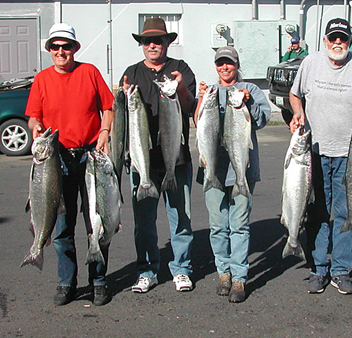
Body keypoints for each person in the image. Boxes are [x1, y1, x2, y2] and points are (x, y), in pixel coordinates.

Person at [25, 23, 114, 306]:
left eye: (66, 46)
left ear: (75, 48)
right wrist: (36, 127)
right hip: (56, 159)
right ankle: (67, 282)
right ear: (49, 50)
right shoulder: (41, 79)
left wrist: (104, 133)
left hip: (90, 157)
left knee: (96, 222)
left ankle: (98, 280)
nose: (60, 51)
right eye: (55, 46)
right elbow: (33, 117)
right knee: (61, 224)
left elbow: (108, 108)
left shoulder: (89, 72)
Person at [289, 18, 352, 295]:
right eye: (333, 38)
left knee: (345, 212)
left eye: (344, 39)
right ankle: (318, 269)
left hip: (350, 154)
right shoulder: (310, 62)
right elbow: (294, 95)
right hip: (313, 152)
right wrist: (297, 112)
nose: (338, 43)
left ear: (350, 42)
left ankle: (341, 270)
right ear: (325, 41)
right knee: (316, 212)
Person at [120, 18, 196, 293]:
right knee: (144, 222)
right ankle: (147, 270)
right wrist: (123, 96)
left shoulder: (180, 69)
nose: (152, 45)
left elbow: (189, 106)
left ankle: (182, 269)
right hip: (143, 162)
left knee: (181, 219)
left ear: (168, 42)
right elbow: (121, 116)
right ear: (141, 45)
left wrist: (181, 88)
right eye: (146, 41)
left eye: (158, 40)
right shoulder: (131, 73)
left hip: (176, 159)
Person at [194, 46, 270, 303]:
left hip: (242, 171)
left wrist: (247, 101)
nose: (225, 68)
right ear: (216, 66)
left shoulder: (250, 90)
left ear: (237, 64)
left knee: (239, 226)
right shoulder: (211, 92)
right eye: (220, 64)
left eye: (229, 63)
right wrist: (202, 99)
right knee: (217, 226)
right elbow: (198, 123)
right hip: (213, 170)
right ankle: (223, 273)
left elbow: (260, 121)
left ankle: (239, 278)